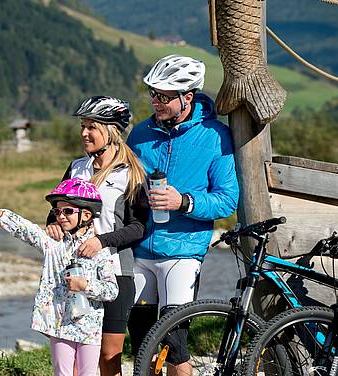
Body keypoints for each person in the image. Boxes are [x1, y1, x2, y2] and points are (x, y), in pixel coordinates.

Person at [125, 55, 239, 376]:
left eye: (163, 96)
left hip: (183, 252)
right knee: (144, 343)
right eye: (153, 94)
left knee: (174, 347)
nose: (155, 101)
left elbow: (227, 200)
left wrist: (184, 201)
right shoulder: (141, 134)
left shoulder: (215, 136)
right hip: (140, 251)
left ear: (186, 97)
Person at [0, 178, 118, 376]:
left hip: (89, 327)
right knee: (61, 373)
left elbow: (112, 290)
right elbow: (27, 230)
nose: (61, 216)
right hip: (59, 325)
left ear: (86, 214)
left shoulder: (98, 250)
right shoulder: (53, 243)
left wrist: (86, 286)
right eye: (57, 211)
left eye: (67, 211)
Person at [45, 96, 148, 376]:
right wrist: (53, 222)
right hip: (74, 270)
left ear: (111, 131)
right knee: (75, 353)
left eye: (91, 127)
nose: (84, 133)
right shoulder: (77, 168)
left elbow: (139, 227)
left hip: (115, 271)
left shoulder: (133, 174)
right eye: (82, 126)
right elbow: (58, 209)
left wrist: (102, 241)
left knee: (108, 354)